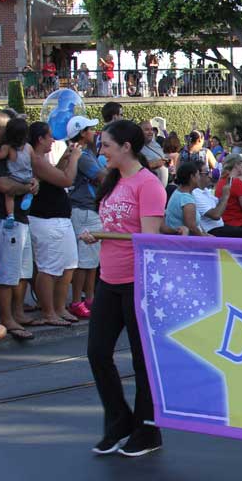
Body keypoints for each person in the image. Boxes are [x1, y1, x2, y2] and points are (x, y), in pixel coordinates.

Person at [80, 119, 167, 457]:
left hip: (137, 282)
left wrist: (103, 234)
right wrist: (99, 234)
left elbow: (149, 240)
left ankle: (148, 431)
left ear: (126, 147)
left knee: (142, 359)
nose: (101, 152)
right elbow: (115, 225)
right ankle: (118, 423)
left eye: (106, 146)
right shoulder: (113, 182)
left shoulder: (148, 184)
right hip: (109, 279)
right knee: (97, 352)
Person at [0, 111, 38, 341]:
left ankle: (18, 312)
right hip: (3, 221)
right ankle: (7, 318)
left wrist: (33, 182)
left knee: (21, 270)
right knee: (6, 272)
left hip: (17, 219)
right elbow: (5, 186)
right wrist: (28, 186)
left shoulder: (8, 150)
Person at [27, 121, 81, 326]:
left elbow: (54, 176)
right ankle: (48, 311)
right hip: (46, 220)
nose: (52, 139)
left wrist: (64, 158)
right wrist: (74, 159)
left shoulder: (43, 160)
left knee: (69, 265)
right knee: (49, 267)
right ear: (40, 139)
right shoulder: (36, 160)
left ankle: (59, 308)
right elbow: (67, 180)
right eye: (49, 136)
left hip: (60, 218)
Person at [66, 116, 104, 319]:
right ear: (82, 133)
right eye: (90, 129)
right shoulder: (82, 154)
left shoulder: (85, 152)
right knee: (84, 260)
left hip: (88, 209)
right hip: (85, 209)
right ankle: (77, 301)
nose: (94, 132)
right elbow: (102, 177)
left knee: (91, 259)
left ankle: (89, 298)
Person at [0, 118, 35, 229]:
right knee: (29, 189)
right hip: (28, 177)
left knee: (9, 195)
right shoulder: (29, 147)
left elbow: (0, 156)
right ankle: (28, 195)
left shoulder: (8, 147)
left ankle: (10, 215)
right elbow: (34, 161)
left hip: (15, 178)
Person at [163, 162, 204, 236]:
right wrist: (208, 238)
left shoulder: (178, 192)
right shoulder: (186, 200)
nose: (200, 178)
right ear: (192, 177)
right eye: (198, 175)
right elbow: (192, 228)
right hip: (184, 243)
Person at [140, 119, 170, 187]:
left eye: (151, 129)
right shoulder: (137, 148)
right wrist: (153, 164)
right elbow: (135, 168)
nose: (150, 132)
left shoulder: (156, 144)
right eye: (147, 130)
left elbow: (162, 158)